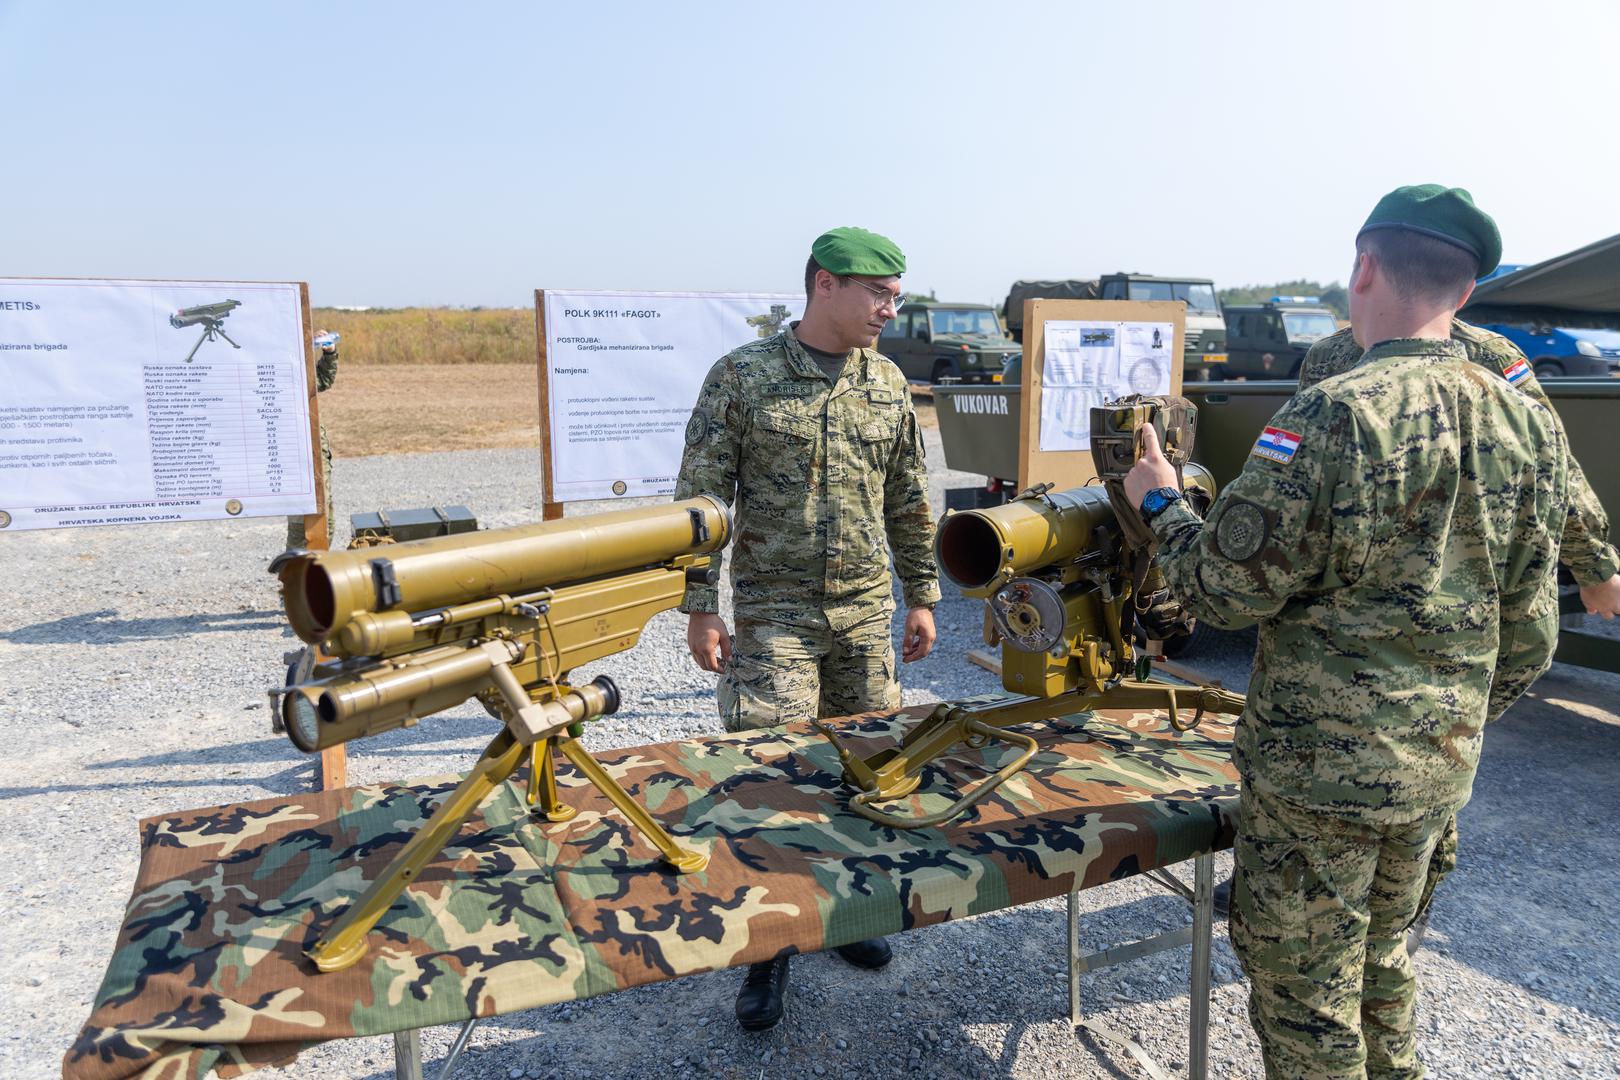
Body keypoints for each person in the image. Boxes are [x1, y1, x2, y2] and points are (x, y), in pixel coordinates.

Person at [1124, 185, 1570, 1079]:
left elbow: (1222, 589)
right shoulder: (1526, 420)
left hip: (1320, 776)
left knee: (1305, 998)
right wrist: (1449, 718)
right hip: (1438, 766)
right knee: (1384, 966)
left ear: (1363, 266)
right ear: (1467, 292)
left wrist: (1161, 502)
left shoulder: (1335, 410)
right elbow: (1532, 631)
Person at [673, 226, 940, 1032]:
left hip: (863, 613)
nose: (889, 311)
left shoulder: (888, 384)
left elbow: (908, 498)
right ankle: (769, 951)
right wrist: (699, 604)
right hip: (775, 614)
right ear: (825, 283)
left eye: (895, 296)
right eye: (878, 295)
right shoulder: (744, 378)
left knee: (868, 772)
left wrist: (921, 592)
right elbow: (702, 503)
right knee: (772, 777)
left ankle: (848, 915)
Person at [286, 330, 340, 548]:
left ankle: (315, 574)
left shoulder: (299, 367)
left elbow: (323, 380)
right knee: (302, 524)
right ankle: (295, 577)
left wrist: (329, 353)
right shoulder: (278, 367)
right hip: (296, 451)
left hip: (316, 449)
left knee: (325, 523)